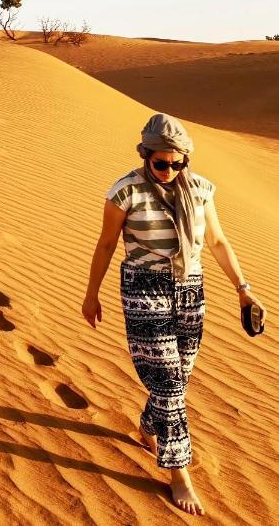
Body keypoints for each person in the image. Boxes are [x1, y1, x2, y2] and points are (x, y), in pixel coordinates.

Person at [82, 112, 265, 516]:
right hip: (143, 287)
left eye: (177, 163)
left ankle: (149, 427)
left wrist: (243, 291)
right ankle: (178, 470)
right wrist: (91, 293)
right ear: (145, 155)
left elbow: (217, 241)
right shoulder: (124, 192)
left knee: (178, 376)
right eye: (160, 163)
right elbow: (107, 244)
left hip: (191, 290)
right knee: (167, 382)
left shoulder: (200, 190)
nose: (169, 170)